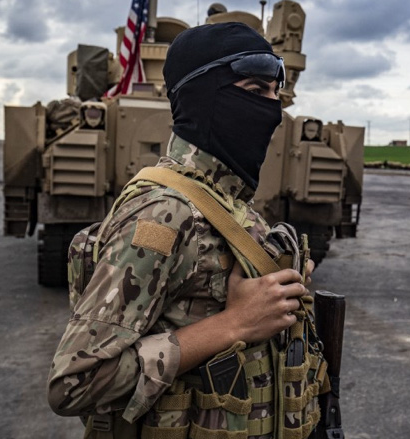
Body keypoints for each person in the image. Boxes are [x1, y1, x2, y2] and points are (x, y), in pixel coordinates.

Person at [47, 22, 317, 437]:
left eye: (274, 93)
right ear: (206, 96)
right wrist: (234, 324)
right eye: (255, 90)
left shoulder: (229, 202)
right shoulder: (161, 216)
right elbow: (74, 384)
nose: (273, 110)